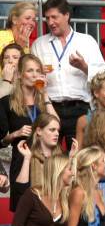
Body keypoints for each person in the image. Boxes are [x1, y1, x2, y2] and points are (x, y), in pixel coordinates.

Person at [31, 0, 105, 150]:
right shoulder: (39, 44)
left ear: (66, 15)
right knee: (49, 159)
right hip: (50, 108)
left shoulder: (86, 41)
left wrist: (84, 67)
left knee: (80, 159)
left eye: (54, 17)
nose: (50, 22)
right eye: (47, 18)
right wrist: (38, 76)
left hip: (80, 108)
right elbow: (31, 77)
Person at [0, 54, 61, 211]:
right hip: (21, 160)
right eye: (30, 71)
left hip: (46, 160)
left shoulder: (43, 101)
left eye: (38, 71)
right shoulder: (7, 102)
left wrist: (45, 94)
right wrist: (15, 133)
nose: (35, 75)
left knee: (47, 211)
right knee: (23, 210)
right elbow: (2, 140)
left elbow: (56, 124)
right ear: (19, 74)